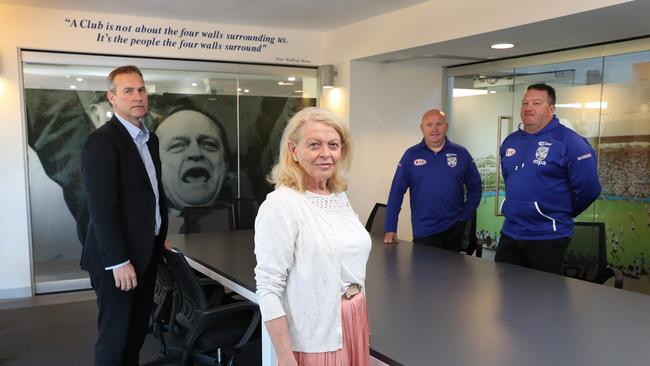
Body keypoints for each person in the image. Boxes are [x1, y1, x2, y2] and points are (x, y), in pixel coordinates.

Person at [254, 107, 371, 366]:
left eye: (333, 145)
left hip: (354, 321)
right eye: (314, 145)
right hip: (316, 336)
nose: (326, 154)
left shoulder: (340, 197)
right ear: (293, 151)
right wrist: (284, 356)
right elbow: (268, 289)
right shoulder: (281, 204)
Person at [80, 65, 169, 365]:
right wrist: (119, 261)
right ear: (112, 98)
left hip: (145, 253)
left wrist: (160, 234)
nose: (137, 96)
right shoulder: (103, 142)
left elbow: (152, 194)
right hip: (117, 261)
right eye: (128, 91)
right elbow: (103, 209)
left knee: (135, 335)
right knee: (114, 341)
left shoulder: (149, 139)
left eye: (141, 89)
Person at [496, 83, 601, 274]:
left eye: (536, 103)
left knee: (545, 300)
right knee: (506, 297)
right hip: (510, 234)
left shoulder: (570, 142)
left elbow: (590, 189)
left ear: (551, 109)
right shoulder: (510, 141)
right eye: (525, 102)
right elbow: (510, 179)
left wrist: (558, 212)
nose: (528, 107)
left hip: (548, 237)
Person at [384, 109, 482, 252]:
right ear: (422, 128)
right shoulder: (411, 155)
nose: (434, 129)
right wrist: (390, 227)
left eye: (439, 124)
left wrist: (465, 216)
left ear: (446, 126)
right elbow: (396, 193)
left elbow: (476, 187)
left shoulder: (461, 153)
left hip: (454, 228)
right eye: (429, 124)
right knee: (426, 273)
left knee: (453, 273)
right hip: (424, 230)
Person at [154, 107, 232, 232]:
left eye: (209, 144)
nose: (196, 153)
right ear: (156, 164)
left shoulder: (239, 224)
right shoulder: (142, 228)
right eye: (177, 145)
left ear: (226, 164)